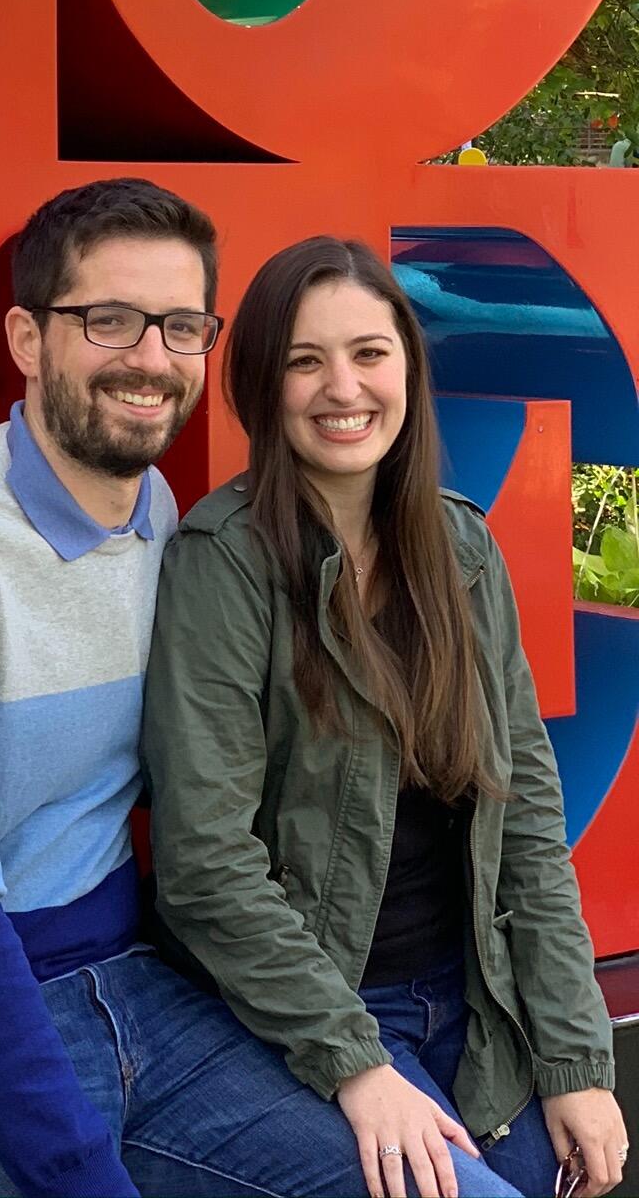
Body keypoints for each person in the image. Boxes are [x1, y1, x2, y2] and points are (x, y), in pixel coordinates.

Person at [0, 180, 412, 1198]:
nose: (151, 358)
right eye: (108, 319)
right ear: (27, 338)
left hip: (134, 988)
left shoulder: (156, 513)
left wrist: (359, 1054)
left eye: (181, 324)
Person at [142, 236, 630, 1198]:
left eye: (369, 353)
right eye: (304, 361)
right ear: (261, 384)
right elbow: (204, 866)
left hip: (467, 999)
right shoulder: (222, 562)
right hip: (307, 1006)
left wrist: (578, 1062)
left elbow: (526, 813)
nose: (343, 388)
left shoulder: (461, 546)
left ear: (408, 363)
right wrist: (356, 1064)